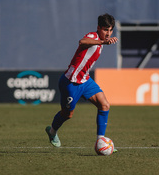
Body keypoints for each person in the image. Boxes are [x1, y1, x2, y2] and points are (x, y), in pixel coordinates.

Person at [45, 13, 118, 150]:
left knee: (104, 105)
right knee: (67, 114)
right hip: (70, 83)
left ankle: (100, 142)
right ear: (98, 28)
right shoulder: (93, 36)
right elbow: (82, 42)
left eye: (110, 30)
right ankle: (52, 131)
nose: (108, 33)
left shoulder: (102, 41)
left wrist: (104, 42)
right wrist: (103, 41)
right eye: (105, 30)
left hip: (85, 80)